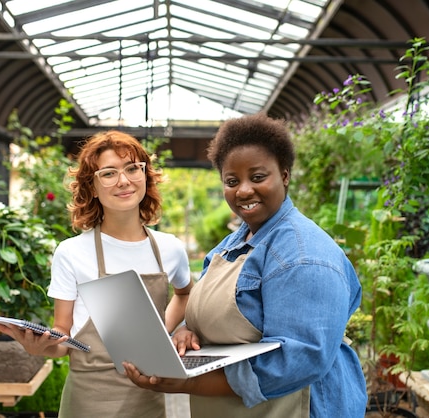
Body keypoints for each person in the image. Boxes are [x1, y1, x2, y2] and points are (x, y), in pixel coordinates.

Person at [124, 113, 367, 417]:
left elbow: (300, 359)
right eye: (231, 181)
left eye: (257, 177)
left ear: (285, 175)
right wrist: (187, 332)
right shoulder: (228, 248)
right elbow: (208, 316)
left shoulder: (304, 256)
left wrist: (190, 383)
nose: (243, 190)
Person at [0, 130, 193, 418]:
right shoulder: (72, 252)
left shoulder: (170, 249)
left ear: (145, 176)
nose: (124, 181)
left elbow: (185, 293)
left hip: (148, 398)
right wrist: (40, 348)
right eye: (109, 173)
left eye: (132, 169)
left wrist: (162, 331)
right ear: (92, 186)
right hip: (88, 401)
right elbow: (63, 338)